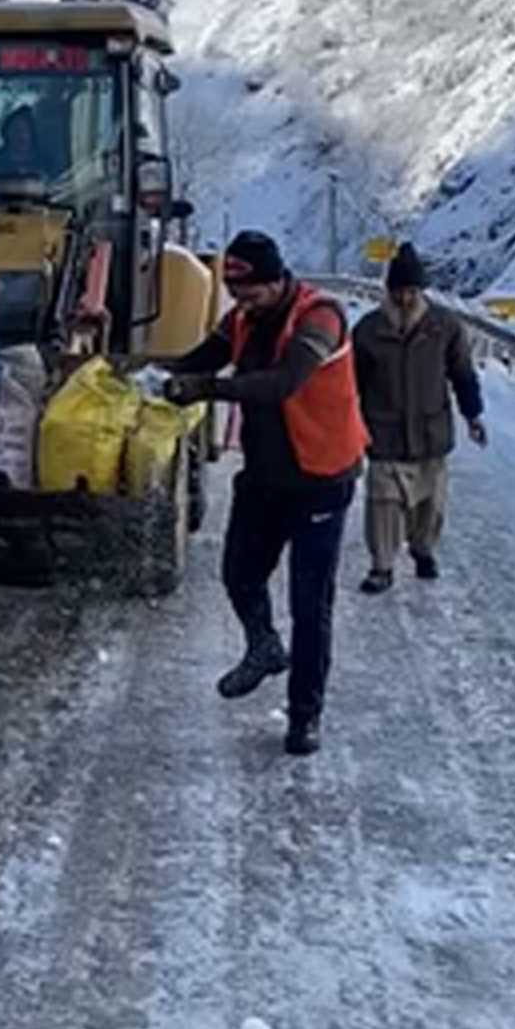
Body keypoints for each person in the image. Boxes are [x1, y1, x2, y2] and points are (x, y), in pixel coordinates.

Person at [164, 229, 368, 757]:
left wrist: (209, 390)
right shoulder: (241, 319)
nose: (241, 302)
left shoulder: (320, 318)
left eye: (250, 291)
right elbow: (200, 358)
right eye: (235, 293)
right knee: (238, 573)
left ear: (276, 280)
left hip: (321, 479)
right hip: (265, 477)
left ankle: (305, 717)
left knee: (310, 604)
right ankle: (262, 645)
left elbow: (283, 382)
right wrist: (144, 372)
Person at [353, 241, 486, 594]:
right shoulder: (368, 331)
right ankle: (381, 566)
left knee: (429, 503)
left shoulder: (445, 328)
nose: (405, 299)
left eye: (412, 291)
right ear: (389, 291)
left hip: (430, 431)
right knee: (383, 501)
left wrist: (473, 415)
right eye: (399, 291)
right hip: (383, 431)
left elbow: (462, 374)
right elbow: (351, 385)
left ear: (421, 291)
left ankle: (423, 549)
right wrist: (349, 427)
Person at [0, 106, 47, 199]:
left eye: (25, 130)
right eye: (16, 130)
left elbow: (53, 191)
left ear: (32, 133)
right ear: (6, 133)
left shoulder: (44, 161)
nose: (21, 135)